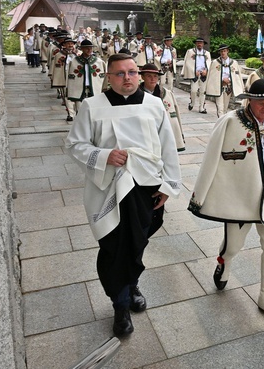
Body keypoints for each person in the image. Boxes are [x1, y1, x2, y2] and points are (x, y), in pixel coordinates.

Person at [65, 53, 182, 337]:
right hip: (108, 187)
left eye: (131, 72)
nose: (127, 78)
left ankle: (131, 283)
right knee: (114, 246)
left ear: (139, 75)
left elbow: (168, 146)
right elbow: (74, 144)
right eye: (120, 73)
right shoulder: (92, 106)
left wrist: (169, 184)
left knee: (138, 240)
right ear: (109, 77)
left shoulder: (154, 105)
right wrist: (105, 155)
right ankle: (120, 305)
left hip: (146, 186)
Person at [188, 79, 264, 321]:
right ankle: (224, 261)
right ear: (250, 100)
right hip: (239, 198)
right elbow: (210, 158)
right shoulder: (230, 121)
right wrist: (199, 196)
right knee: (233, 245)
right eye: (261, 103)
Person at [139, 63, 186, 152]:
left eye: (155, 76)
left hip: (166, 133)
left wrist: (179, 134)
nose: (153, 79)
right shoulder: (136, 95)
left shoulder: (167, 94)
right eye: (149, 76)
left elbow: (175, 116)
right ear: (142, 77)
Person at [66, 39, 106, 120]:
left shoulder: (99, 62)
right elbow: (69, 77)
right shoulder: (74, 61)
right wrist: (69, 89)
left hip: (94, 89)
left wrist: (104, 88)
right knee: (81, 110)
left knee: (94, 110)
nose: (89, 50)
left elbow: (104, 77)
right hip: (79, 89)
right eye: (86, 48)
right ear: (82, 49)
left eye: (90, 48)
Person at [206, 44, 243, 117]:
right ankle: (220, 123)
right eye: (221, 51)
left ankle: (223, 124)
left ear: (227, 51)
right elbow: (212, 76)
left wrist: (229, 80)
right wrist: (222, 79)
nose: (223, 53)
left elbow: (237, 75)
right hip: (219, 87)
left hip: (228, 88)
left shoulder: (234, 63)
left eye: (224, 51)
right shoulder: (215, 63)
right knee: (220, 108)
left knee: (225, 108)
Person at [181, 37, 211, 113]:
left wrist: (206, 70)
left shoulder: (207, 53)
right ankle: (192, 103)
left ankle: (201, 107)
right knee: (194, 91)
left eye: (201, 43)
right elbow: (187, 63)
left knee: (203, 91)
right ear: (196, 44)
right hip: (195, 75)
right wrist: (194, 71)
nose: (199, 44)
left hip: (204, 75)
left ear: (203, 44)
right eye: (198, 43)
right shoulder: (190, 52)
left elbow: (209, 64)